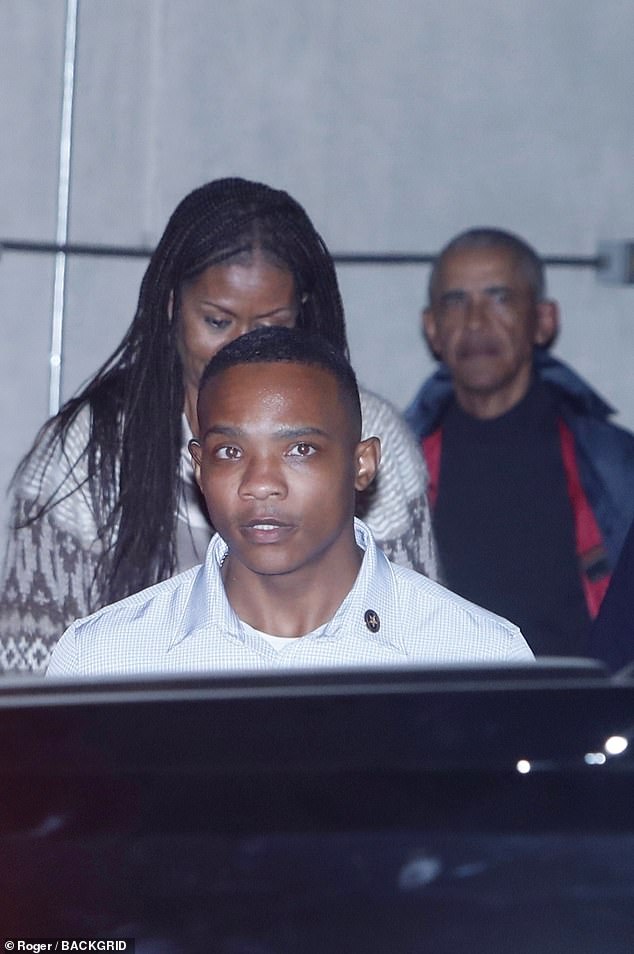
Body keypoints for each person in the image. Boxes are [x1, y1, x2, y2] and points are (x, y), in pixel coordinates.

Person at [0, 177, 437, 675]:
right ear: (171, 307)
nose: (240, 348)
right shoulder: (83, 454)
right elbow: (30, 683)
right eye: (217, 321)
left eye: (270, 325)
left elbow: (421, 648)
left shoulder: (366, 434)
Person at [47, 327, 531, 676]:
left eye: (300, 450)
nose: (260, 483)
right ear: (199, 467)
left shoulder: (475, 657)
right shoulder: (106, 661)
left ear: (362, 464)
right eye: (230, 452)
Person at [404, 227, 634, 658]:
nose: (475, 322)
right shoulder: (393, 471)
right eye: (455, 301)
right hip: (439, 718)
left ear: (543, 321)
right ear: (432, 328)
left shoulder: (614, 467)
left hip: (583, 715)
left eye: (499, 298)